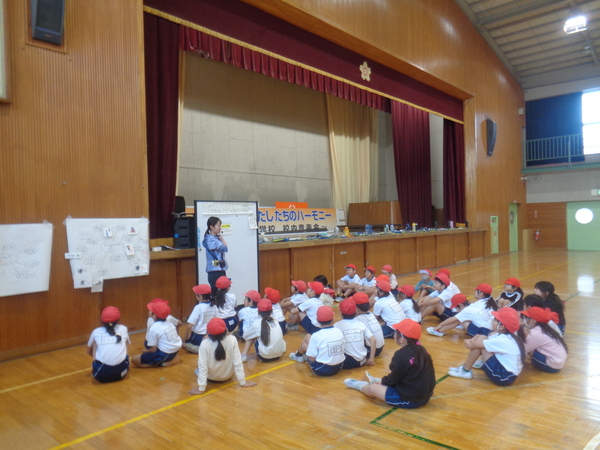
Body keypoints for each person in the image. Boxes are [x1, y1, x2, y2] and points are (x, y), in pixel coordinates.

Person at [343, 319, 436, 409]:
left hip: (410, 399)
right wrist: (384, 381)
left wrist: (383, 382)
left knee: (373, 389)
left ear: (402, 339)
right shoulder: (422, 350)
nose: (394, 334)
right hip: (425, 395)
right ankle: (376, 380)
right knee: (387, 380)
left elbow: (395, 378)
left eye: (395, 332)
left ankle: (360, 386)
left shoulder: (401, 355)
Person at [447, 308, 525, 386]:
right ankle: (475, 365)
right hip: (509, 374)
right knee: (483, 338)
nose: (492, 321)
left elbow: (475, 344)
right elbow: (481, 338)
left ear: (501, 326)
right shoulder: (509, 335)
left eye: (494, 320)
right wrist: (474, 339)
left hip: (503, 377)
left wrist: (466, 341)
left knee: (482, 342)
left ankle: (465, 371)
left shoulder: (503, 339)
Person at [188, 318, 257, 395]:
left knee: (198, 369)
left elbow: (203, 367)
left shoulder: (205, 343)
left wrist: (201, 388)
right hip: (227, 376)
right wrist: (243, 382)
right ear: (226, 331)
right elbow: (238, 362)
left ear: (208, 333)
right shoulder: (232, 339)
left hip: (211, 378)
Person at [289, 306, 345, 376]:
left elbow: (312, 358)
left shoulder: (316, 335)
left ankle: (298, 355)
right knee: (308, 337)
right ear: (333, 319)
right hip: (339, 366)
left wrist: (307, 349)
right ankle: (298, 355)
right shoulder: (338, 331)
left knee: (306, 342)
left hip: (321, 369)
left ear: (317, 320)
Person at [427, 284, 497, 337]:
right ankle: (440, 330)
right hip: (489, 329)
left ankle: (439, 330)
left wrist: (440, 325)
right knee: (461, 319)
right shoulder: (473, 305)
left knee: (460, 320)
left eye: (456, 307)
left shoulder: (469, 309)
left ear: (460, 305)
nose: (456, 309)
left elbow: (452, 319)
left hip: (483, 332)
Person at [86, 306, 130, 383]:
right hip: (121, 373)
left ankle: (96, 367)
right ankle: (124, 362)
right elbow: (127, 345)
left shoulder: (96, 331)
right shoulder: (123, 328)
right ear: (118, 320)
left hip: (101, 375)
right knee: (124, 340)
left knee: (95, 342)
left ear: (102, 320)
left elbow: (88, 351)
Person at [133, 301, 182, 368]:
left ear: (154, 316)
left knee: (134, 360)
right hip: (175, 350)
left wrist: (146, 351)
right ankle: (173, 358)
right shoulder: (170, 323)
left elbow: (153, 350)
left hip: (165, 354)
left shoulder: (154, 327)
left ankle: (163, 363)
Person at [521, 307, 568, 373]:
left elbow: (521, 349)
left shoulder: (535, 333)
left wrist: (519, 330)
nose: (524, 320)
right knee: (533, 345)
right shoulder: (547, 328)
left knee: (528, 348)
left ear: (533, 320)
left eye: (526, 318)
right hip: (558, 362)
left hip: (552, 366)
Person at [334, 299, 376, 369]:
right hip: (362, 359)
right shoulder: (360, 324)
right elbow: (373, 340)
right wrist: (371, 359)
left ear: (340, 313)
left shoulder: (337, 325)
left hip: (349, 361)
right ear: (356, 311)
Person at [183, 284, 218, 353]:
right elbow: (217, 321)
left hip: (198, 336)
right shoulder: (214, 306)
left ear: (200, 297)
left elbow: (189, 326)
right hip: (211, 335)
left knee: (185, 343)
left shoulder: (198, 307)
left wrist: (185, 338)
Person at [353, 292, 385, 357]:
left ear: (356, 308)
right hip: (380, 348)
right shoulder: (371, 314)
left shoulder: (357, 320)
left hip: (370, 350)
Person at [202, 216, 228, 294]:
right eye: (218, 225)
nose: (220, 228)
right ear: (211, 227)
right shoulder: (210, 239)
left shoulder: (215, 238)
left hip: (220, 268)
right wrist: (222, 239)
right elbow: (224, 248)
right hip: (214, 271)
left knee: (223, 292)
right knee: (216, 292)